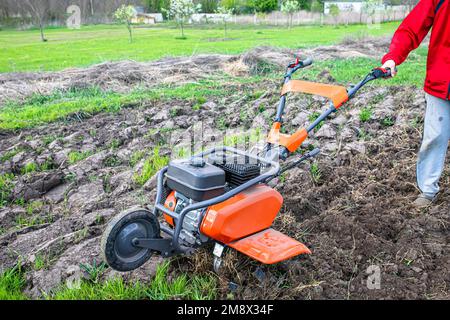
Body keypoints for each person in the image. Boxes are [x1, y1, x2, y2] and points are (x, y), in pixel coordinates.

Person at [381, 0, 449, 208]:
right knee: (435, 135)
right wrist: (393, 57)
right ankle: (428, 190)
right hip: (443, 79)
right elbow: (412, 28)